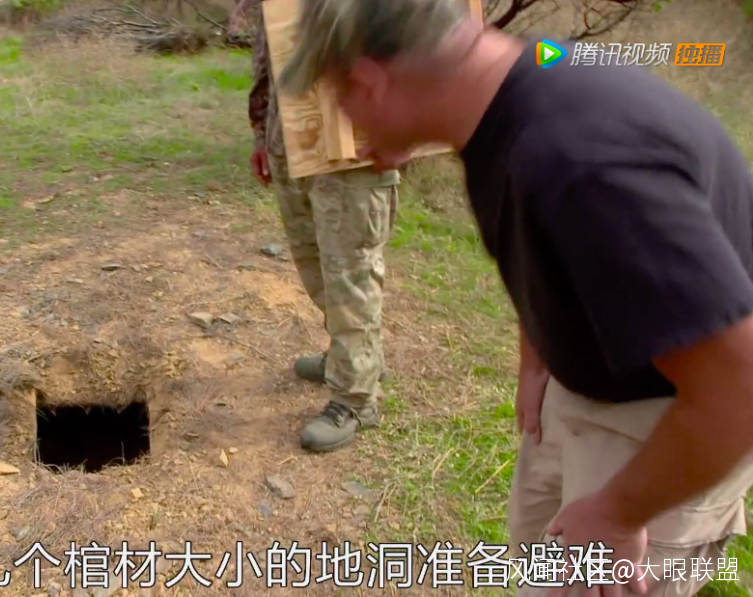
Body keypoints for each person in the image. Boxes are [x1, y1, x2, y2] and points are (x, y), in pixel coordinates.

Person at [277, 0, 753, 594]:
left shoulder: (581, 161)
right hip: (589, 388)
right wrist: (537, 360)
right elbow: (553, 250)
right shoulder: (514, 97)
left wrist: (619, 512)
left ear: (371, 84)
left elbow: (738, 388)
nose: (341, 118)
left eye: (337, 96)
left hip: (669, 424)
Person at [235, 0, 401, 453]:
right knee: (317, 268)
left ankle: (356, 399)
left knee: (350, 273)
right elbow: (269, 57)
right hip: (291, 144)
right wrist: (261, 134)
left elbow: (424, 44)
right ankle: (354, 357)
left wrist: (404, 131)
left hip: (354, 152)